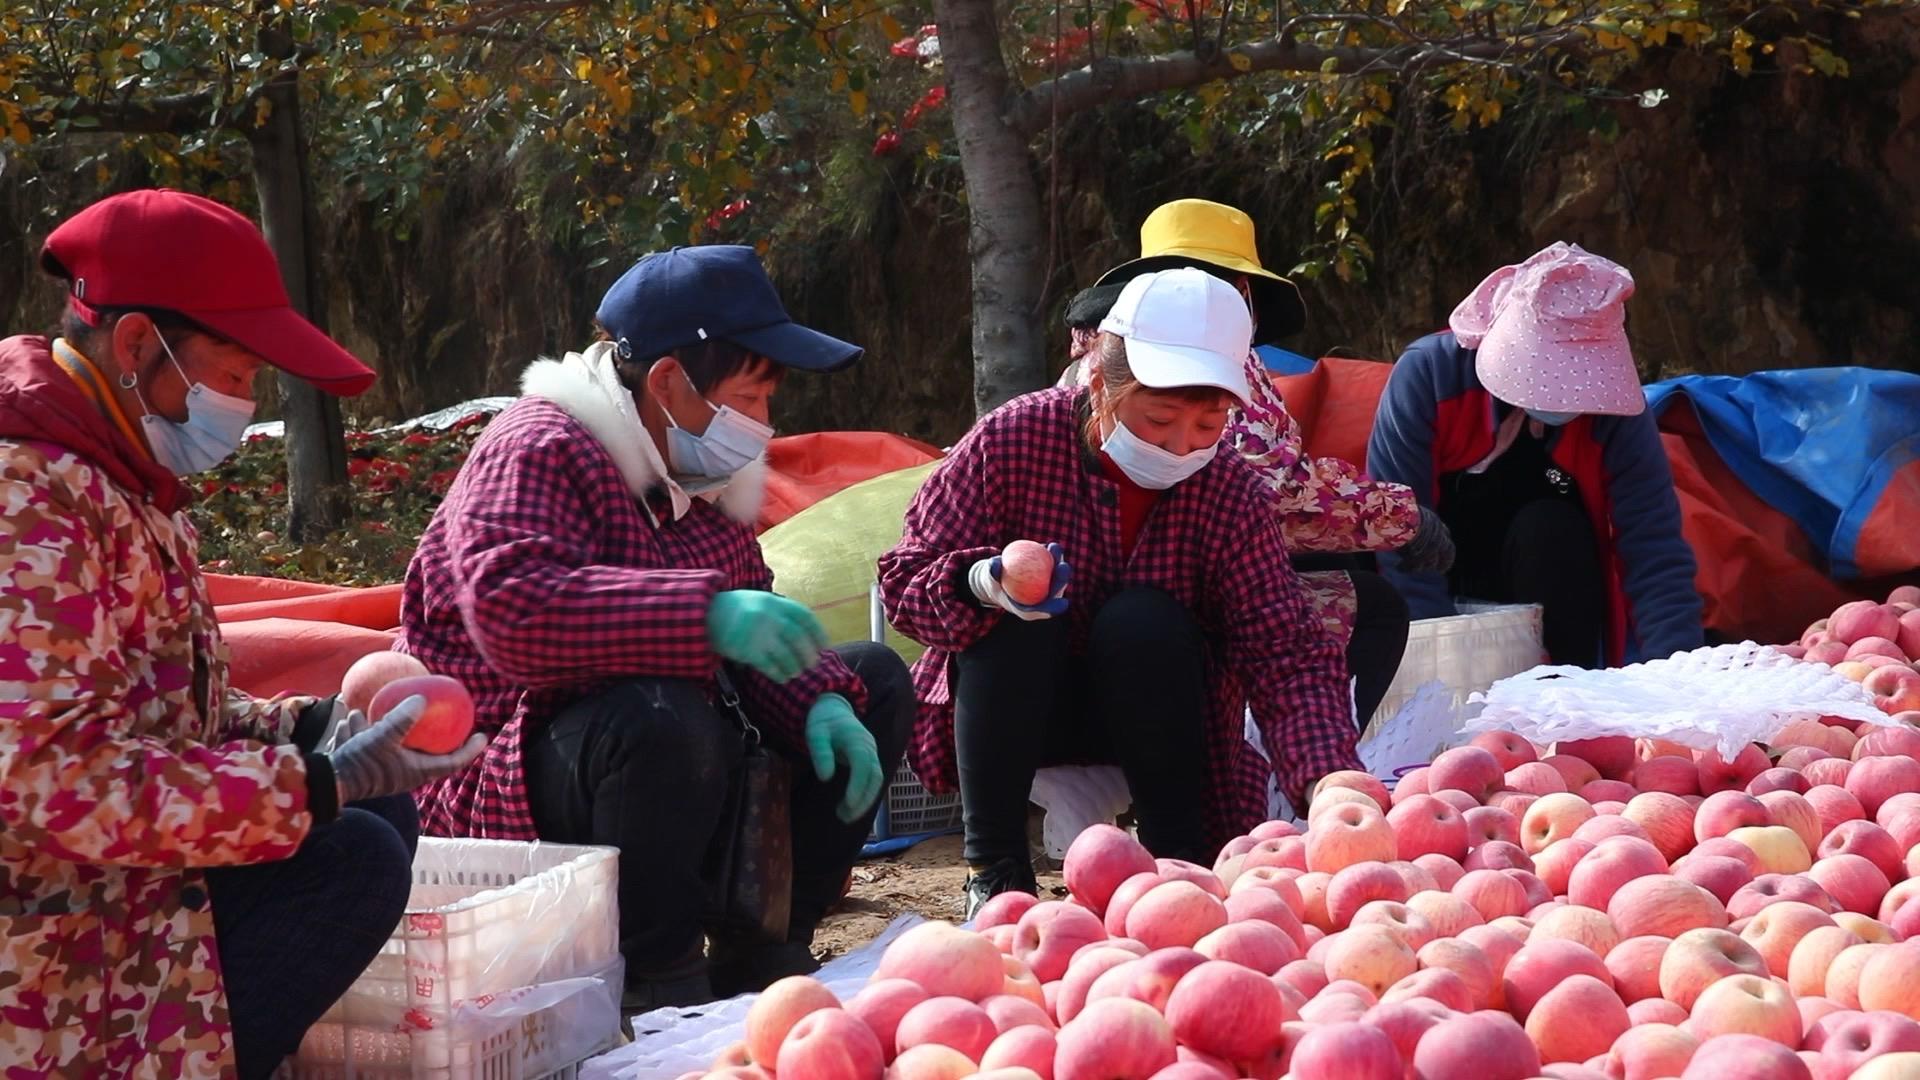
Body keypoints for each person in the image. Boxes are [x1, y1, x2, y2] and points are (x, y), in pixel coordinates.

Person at [0, 189, 483, 1080]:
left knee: (371, 811)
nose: (244, 402)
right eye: (232, 374)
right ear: (139, 344)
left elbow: (168, 717)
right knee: (351, 854)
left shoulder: (123, 476)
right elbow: (46, 783)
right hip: (42, 949)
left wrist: (309, 732)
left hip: (114, 894)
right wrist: (308, 786)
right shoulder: (26, 496)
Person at [398, 245, 913, 1009]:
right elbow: (512, 609)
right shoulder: (540, 447)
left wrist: (818, 701)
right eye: (752, 396)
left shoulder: (705, 480)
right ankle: (658, 975)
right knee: (658, 712)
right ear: (670, 381)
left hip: (661, 767)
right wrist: (700, 618)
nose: (764, 426)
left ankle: (769, 942)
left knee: (870, 678)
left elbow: (760, 636)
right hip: (497, 775)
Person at [881, 268, 1363, 914]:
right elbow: (905, 577)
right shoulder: (1012, 440)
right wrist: (984, 581)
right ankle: (995, 873)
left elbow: (1285, 650)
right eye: (1160, 419)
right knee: (1028, 610)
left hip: (1158, 721)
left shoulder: (1226, 491)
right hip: (1016, 715)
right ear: (1104, 386)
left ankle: (1176, 867)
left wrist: (1329, 780)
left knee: (1143, 621)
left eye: (1206, 425)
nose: (1179, 446)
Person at [1059, 198, 1453, 725]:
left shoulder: (1101, 355)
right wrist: (1403, 518)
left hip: (1092, 584)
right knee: (1372, 607)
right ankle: (1305, 763)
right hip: (1169, 585)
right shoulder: (1218, 361)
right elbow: (1276, 496)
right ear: (1241, 291)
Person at [1368, 242, 1703, 666]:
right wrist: (1436, 665)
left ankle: (1570, 686)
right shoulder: (1429, 377)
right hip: (1436, 570)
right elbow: (1399, 525)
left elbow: (1654, 549)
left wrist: (1681, 676)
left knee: (1550, 528)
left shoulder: (1616, 416)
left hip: (1548, 578)